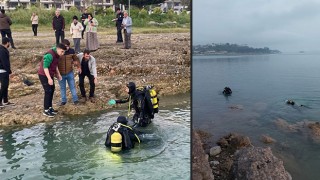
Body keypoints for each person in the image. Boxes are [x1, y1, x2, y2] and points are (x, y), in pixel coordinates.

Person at [38, 43, 67, 117]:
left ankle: (50, 108)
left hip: (50, 74)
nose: (63, 54)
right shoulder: (50, 55)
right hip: (44, 75)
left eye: (64, 52)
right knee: (48, 91)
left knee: (52, 89)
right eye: (62, 51)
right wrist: (49, 78)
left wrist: (58, 74)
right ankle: (46, 110)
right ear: (58, 49)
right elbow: (45, 67)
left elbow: (55, 65)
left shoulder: (57, 55)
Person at [58, 39, 81, 106]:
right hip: (61, 74)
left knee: (72, 86)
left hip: (69, 72)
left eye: (68, 46)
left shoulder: (72, 51)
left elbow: (76, 59)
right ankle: (63, 101)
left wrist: (79, 67)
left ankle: (75, 100)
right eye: (65, 46)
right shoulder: (59, 52)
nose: (67, 48)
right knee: (62, 88)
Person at [0, 37, 15, 108]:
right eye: (9, 42)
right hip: (3, 71)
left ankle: (5, 101)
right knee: (4, 87)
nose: (9, 44)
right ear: (7, 42)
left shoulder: (1, 49)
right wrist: (10, 72)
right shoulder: (3, 50)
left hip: (2, 70)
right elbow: (5, 62)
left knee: (5, 86)